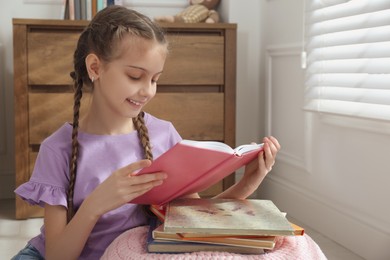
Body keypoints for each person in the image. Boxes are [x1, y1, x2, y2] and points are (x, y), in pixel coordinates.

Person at [12, 5, 280, 260]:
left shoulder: (163, 135)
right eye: (135, 76)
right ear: (95, 68)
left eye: (154, 79)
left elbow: (195, 219)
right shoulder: (57, 148)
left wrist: (248, 182)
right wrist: (96, 204)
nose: (148, 91)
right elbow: (57, 255)